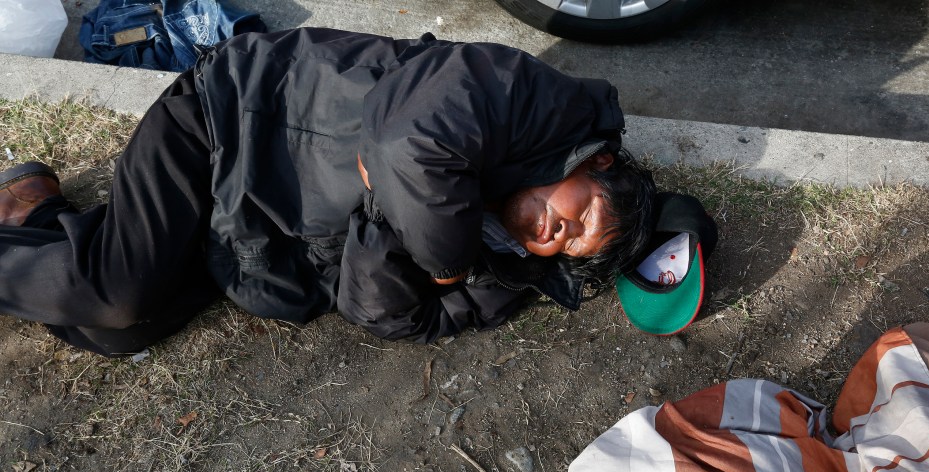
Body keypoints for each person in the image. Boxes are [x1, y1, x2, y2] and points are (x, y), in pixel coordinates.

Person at [0, 28, 657, 356]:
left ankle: (32, 208)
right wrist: (445, 263)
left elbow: (393, 317)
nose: (549, 235)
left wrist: (381, 225)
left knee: (114, 332)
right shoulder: (521, 95)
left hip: (252, 227)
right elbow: (406, 145)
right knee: (115, 294)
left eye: (562, 249)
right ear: (595, 161)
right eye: (578, 218)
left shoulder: (510, 267)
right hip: (226, 123)